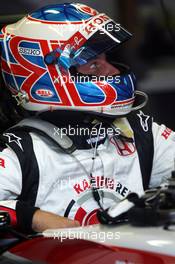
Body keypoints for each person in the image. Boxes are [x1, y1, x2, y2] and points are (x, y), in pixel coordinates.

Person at [0, 3, 175, 234]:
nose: (112, 71)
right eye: (94, 65)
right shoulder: (20, 151)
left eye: (106, 60)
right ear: (49, 77)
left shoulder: (140, 131)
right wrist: (31, 216)